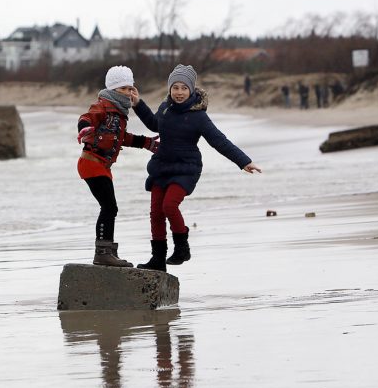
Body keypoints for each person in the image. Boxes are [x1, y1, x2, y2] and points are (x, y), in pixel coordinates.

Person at [133, 64, 261, 271]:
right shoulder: (165, 108)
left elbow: (219, 141)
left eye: (184, 88)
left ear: (191, 89)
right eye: (175, 87)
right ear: (170, 89)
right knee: (156, 213)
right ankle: (158, 260)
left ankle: (182, 248)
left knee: (169, 206)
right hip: (161, 166)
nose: (179, 92)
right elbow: (154, 124)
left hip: (186, 168)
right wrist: (138, 104)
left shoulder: (198, 116)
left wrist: (243, 161)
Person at [77, 66, 158, 267]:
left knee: (110, 207)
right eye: (123, 88)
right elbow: (87, 117)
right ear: (113, 89)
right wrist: (84, 128)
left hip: (102, 166)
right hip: (91, 163)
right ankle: (103, 253)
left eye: (131, 88)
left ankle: (108, 251)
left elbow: (123, 138)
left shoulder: (120, 113)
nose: (128, 92)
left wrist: (148, 143)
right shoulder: (103, 106)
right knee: (109, 207)